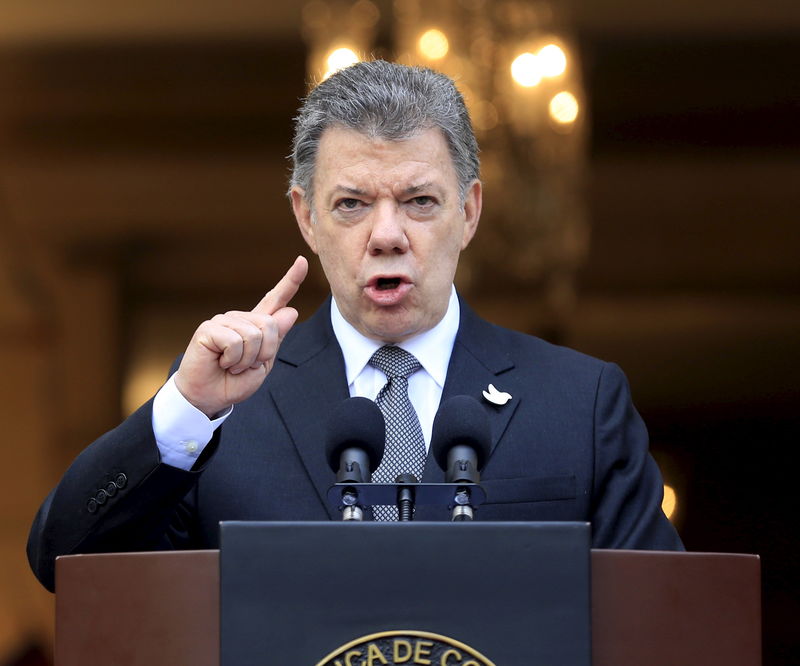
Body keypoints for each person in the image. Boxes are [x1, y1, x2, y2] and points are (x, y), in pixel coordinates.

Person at [27, 60, 682, 592]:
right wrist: (187, 409)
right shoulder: (224, 409)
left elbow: (665, 620)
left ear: (470, 210)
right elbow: (64, 563)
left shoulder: (580, 402)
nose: (387, 235)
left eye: (420, 201)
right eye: (352, 205)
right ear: (307, 217)